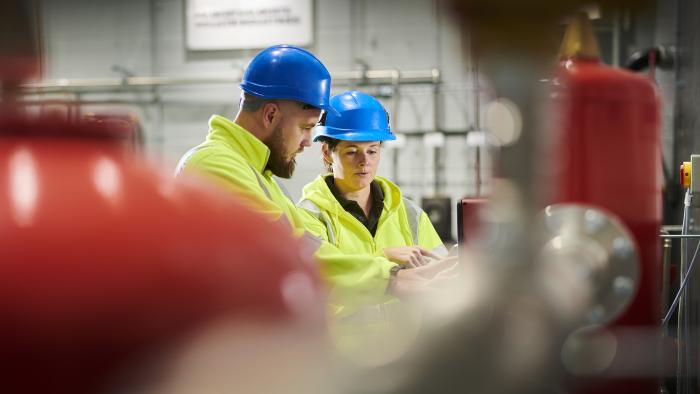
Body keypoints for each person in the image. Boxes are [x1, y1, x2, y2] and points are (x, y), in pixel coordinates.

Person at [176, 45, 456, 321]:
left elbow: (306, 249)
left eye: (373, 150)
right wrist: (390, 277)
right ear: (270, 115)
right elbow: (288, 255)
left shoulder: (259, 176)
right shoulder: (217, 166)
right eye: (306, 128)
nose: (309, 141)